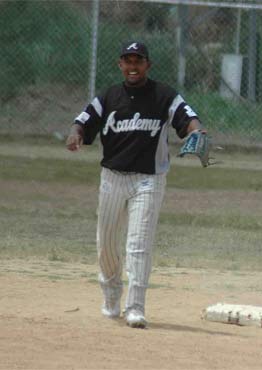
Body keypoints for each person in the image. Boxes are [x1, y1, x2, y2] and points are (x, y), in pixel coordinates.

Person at [65, 41, 206, 329]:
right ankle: (111, 291)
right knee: (106, 245)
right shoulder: (109, 96)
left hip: (149, 179)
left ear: (147, 65)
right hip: (112, 179)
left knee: (139, 244)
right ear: (120, 64)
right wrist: (75, 133)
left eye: (138, 61)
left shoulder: (163, 95)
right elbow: (82, 120)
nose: (133, 66)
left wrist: (197, 131)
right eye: (127, 60)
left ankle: (136, 307)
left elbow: (189, 118)